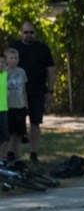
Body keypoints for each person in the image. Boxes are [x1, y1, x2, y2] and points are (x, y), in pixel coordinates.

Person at [9, 22, 55, 157]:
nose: (28, 35)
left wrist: (50, 91)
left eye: (31, 32)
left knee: (35, 122)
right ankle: (13, 153)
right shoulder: (14, 48)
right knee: (15, 123)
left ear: (35, 33)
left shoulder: (43, 48)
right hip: (16, 92)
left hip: (37, 90)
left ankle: (33, 153)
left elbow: (50, 70)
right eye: (26, 32)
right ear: (21, 33)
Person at [5, 48, 27, 158]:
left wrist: (25, 104)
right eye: (11, 58)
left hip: (20, 106)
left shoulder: (21, 72)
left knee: (19, 134)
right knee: (8, 134)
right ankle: (7, 155)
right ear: (6, 60)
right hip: (8, 107)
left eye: (16, 58)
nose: (14, 60)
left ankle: (19, 157)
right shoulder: (3, 72)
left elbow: (23, 90)